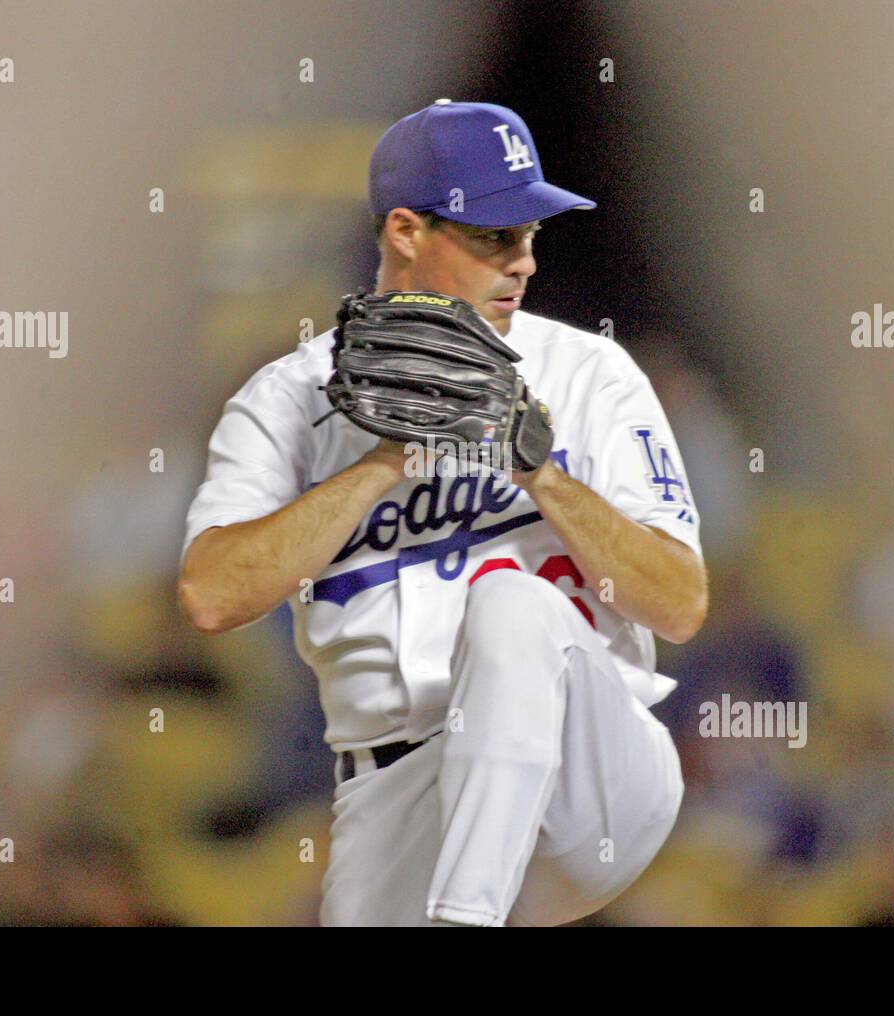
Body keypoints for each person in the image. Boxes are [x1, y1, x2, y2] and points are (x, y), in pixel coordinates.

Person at [177, 100, 708, 926]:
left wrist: (538, 472)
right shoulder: (287, 400)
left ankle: (465, 918)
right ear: (405, 232)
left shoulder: (588, 372)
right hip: (398, 787)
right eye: (495, 235)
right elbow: (212, 594)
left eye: (531, 233)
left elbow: (679, 604)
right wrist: (381, 465)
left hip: (589, 775)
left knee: (512, 602)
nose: (524, 261)